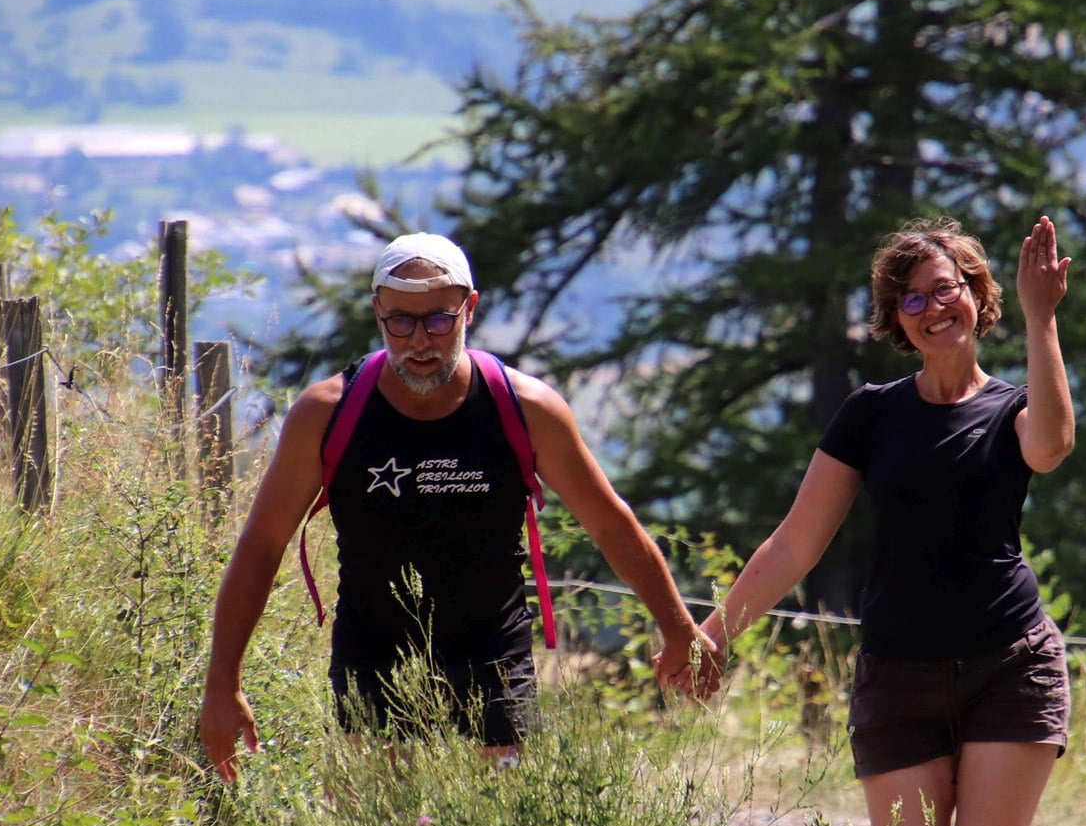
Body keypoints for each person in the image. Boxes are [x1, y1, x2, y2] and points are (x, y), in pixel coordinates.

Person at [671, 215, 1075, 826]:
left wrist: (1042, 315)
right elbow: (795, 543)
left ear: (977, 295)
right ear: (895, 320)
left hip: (1009, 666)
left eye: (945, 290)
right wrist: (714, 633)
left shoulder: (1013, 409)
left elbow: (1051, 446)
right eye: (911, 300)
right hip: (898, 676)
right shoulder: (871, 413)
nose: (931, 309)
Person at [200, 231, 719, 778]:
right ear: (377, 311)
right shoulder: (327, 413)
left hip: (494, 661)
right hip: (373, 661)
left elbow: (611, 523)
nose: (420, 341)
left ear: (469, 309)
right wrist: (222, 683)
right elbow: (261, 546)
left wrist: (680, 629)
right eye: (401, 320)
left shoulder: (526, 408)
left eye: (438, 320)